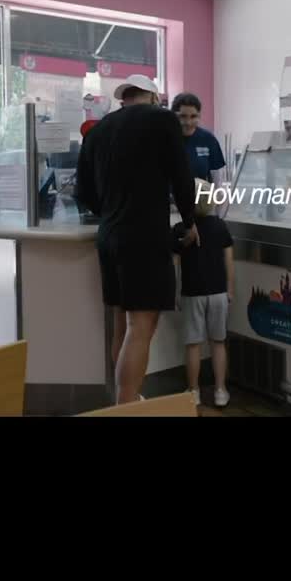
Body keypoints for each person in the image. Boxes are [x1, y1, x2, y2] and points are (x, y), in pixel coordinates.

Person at [76, 73, 198, 405]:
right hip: (145, 236)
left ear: (123, 99)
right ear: (154, 97)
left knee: (122, 324)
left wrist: (111, 211)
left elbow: (83, 192)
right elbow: (182, 176)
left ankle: (125, 401)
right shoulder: (162, 120)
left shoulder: (98, 130)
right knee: (141, 327)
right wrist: (190, 221)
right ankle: (127, 405)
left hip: (108, 236)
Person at [171, 179, 234, 408]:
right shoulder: (220, 226)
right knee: (218, 342)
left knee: (193, 345)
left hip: (192, 292)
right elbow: (228, 260)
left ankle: (194, 391)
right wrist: (230, 288)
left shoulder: (180, 229)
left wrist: (175, 292)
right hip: (218, 293)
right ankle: (220, 391)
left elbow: (175, 265)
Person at [171, 93, 226, 183]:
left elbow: (216, 176)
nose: (188, 122)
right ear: (173, 116)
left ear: (199, 116)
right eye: (183, 116)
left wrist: (216, 192)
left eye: (193, 116)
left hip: (201, 191)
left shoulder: (208, 139)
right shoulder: (164, 139)